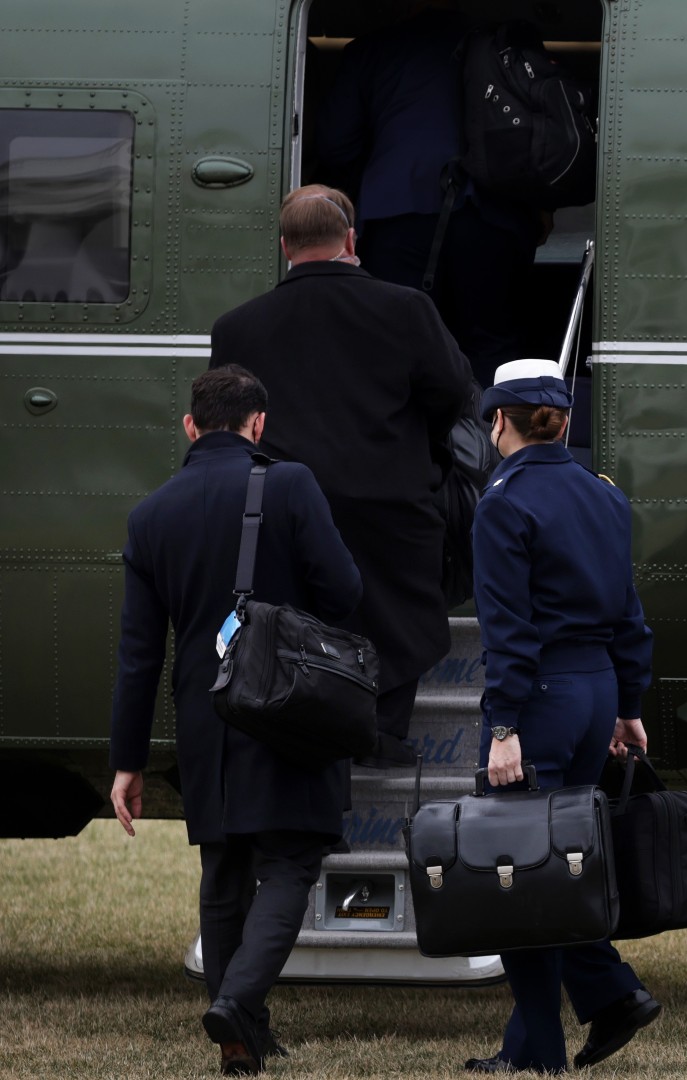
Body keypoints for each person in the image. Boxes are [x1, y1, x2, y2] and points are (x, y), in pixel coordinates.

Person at [109, 366, 362, 1076]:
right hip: (288, 710)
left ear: (191, 427)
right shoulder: (290, 485)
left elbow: (137, 656)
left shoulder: (151, 515)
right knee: (291, 860)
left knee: (223, 872)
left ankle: (240, 1039)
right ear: (258, 425)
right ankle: (239, 1000)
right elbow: (343, 592)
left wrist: (127, 762)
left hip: (207, 718)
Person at [211, 184, 473, 766]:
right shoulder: (405, 309)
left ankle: (303, 722)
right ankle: (381, 732)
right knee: (398, 618)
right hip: (390, 504)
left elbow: (228, 422)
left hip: (283, 506)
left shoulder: (235, 329)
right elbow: (453, 393)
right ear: (351, 240)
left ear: (284, 246)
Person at [468, 358, 660, 1073]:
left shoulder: (503, 503)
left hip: (541, 697)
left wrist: (505, 726)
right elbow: (629, 613)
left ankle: (544, 1045)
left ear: (498, 423)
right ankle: (604, 998)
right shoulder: (603, 496)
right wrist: (629, 704)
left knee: (516, 873)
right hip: (596, 690)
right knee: (559, 867)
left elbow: (508, 631)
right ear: (564, 422)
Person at [309, 0, 541, 386]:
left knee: (394, 341)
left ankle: (405, 443)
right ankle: (496, 440)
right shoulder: (505, 44)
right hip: (492, 212)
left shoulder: (372, 48)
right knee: (492, 342)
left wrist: (379, 162)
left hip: (398, 209)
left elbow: (334, 143)